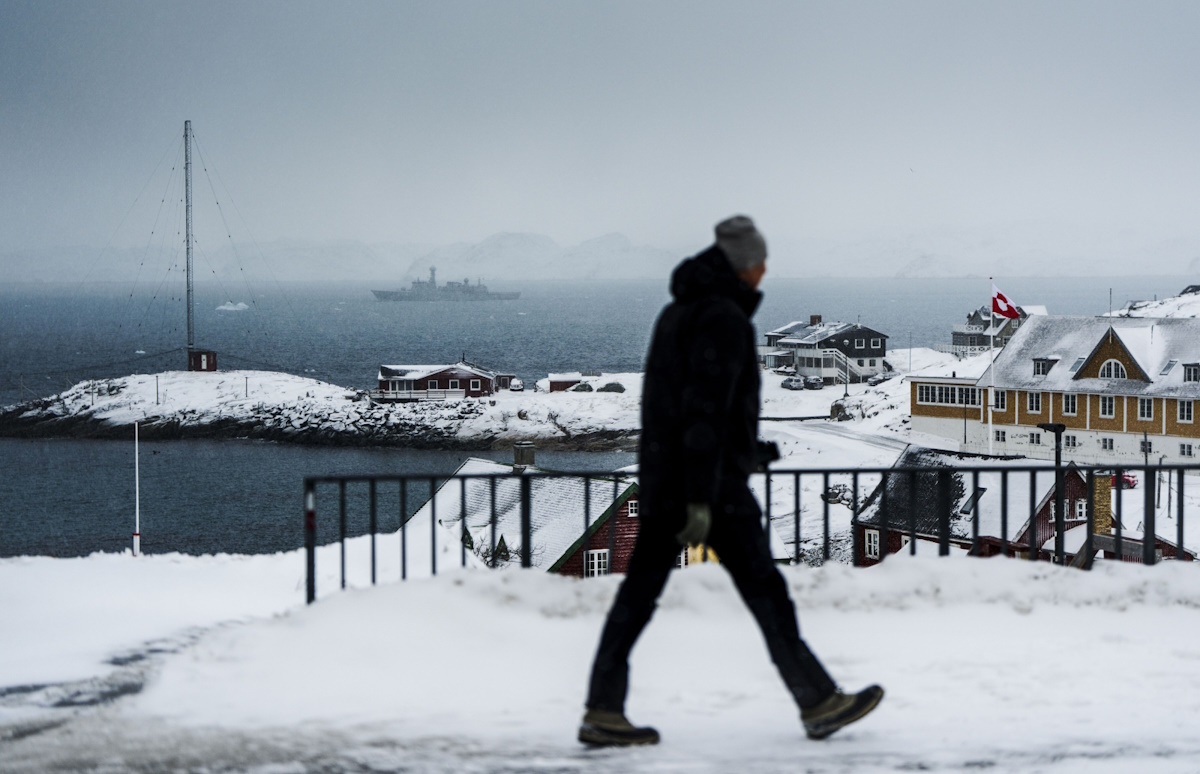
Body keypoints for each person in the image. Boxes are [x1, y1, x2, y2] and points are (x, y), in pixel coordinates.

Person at [578, 215, 883, 747]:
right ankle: (817, 701)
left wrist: (749, 451)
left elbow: (680, 410)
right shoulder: (724, 319)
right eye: (762, 262)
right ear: (747, 265)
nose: (765, 271)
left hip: (667, 479)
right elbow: (703, 414)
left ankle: (602, 709)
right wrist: (701, 496)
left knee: (637, 597)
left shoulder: (676, 314)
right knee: (768, 594)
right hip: (709, 489)